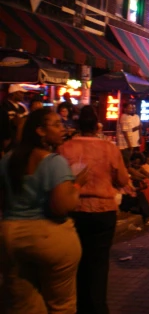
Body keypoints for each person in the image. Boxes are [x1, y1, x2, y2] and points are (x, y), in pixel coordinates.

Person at [0, 108, 88, 313]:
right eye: (56, 125)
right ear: (40, 131)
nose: (63, 129)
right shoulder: (53, 162)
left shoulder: (7, 160)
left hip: (11, 236)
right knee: (61, 305)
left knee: (23, 305)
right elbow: (61, 206)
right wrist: (76, 185)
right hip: (49, 237)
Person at [58, 105, 129, 314]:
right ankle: (97, 307)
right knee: (98, 264)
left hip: (74, 211)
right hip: (103, 212)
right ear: (97, 126)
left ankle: (80, 306)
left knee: (76, 263)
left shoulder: (65, 148)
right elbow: (122, 179)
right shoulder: (109, 149)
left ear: (78, 125)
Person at [1, 84, 28, 157]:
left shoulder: (22, 107)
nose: (23, 95)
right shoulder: (5, 106)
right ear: (13, 94)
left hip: (20, 142)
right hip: (9, 143)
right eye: (20, 93)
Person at [118, 102, 141, 167]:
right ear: (125, 109)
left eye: (131, 108)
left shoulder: (128, 117)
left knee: (129, 161)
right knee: (126, 162)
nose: (131, 109)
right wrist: (129, 144)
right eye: (129, 108)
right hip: (125, 145)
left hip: (127, 144)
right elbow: (125, 132)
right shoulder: (124, 117)